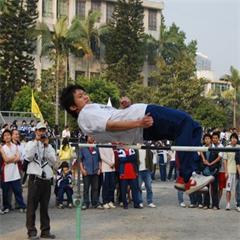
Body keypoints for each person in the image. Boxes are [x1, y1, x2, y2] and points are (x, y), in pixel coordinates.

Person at [60, 85, 214, 194]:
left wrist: (125, 108)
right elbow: (111, 125)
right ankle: (188, 177)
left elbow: (114, 119)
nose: (86, 96)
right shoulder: (86, 114)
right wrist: (138, 121)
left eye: (84, 93)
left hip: (141, 126)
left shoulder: (91, 110)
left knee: (193, 128)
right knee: (186, 122)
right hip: (144, 116)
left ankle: (185, 177)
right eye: (80, 97)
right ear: (73, 107)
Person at [24, 122, 56, 240]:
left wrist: (46, 147)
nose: (41, 133)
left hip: (46, 180)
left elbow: (53, 161)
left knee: (44, 207)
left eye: (43, 130)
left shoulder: (49, 146)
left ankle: (45, 231)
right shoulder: (29, 144)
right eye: (39, 130)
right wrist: (36, 142)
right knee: (32, 207)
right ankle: (31, 232)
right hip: (35, 179)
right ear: (35, 132)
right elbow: (28, 156)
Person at [0, 129, 26, 213]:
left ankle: (22, 205)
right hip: (6, 172)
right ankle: (6, 206)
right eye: (5, 135)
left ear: (11, 136)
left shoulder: (15, 146)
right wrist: (13, 158)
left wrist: (11, 158)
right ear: (3, 138)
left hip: (15, 172)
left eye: (8, 135)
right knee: (5, 192)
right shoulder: (2, 147)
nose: (7, 137)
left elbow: (18, 157)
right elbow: (6, 160)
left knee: (18, 190)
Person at [80, 135, 102, 210]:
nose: (91, 138)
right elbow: (80, 160)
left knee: (95, 188)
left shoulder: (96, 147)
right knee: (86, 188)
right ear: (87, 138)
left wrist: (99, 169)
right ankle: (85, 203)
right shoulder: (83, 148)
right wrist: (82, 170)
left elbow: (99, 160)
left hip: (95, 171)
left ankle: (95, 203)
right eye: (90, 136)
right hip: (86, 171)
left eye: (92, 136)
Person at [224, 133, 239, 211]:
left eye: (235, 138)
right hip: (230, 171)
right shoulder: (227, 147)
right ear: (230, 139)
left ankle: (237, 203)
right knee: (228, 189)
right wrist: (226, 171)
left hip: (237, 172)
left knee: (237, 189)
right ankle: (228, 204)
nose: (234, 139)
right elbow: (225, 161)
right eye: (232, 138)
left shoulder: (239, 147)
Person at [137, 143, 156, 208]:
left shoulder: (147, 147)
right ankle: (140, 202)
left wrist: (151, 168)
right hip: (138, 171)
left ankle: (150, 202)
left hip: (147, 170)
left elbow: (151, 157)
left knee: (149, 187)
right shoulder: (135, 147)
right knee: (139, 187)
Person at [99, 145, 117, 209]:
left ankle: (110, 201)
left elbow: (113, 154)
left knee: (112, 185)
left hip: (112, 168)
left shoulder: (109, 144)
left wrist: (113, 162)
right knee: (105, 186)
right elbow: (102, 157)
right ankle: (105, 202)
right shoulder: (100, 146)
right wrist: (110, 163)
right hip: (105, 169)